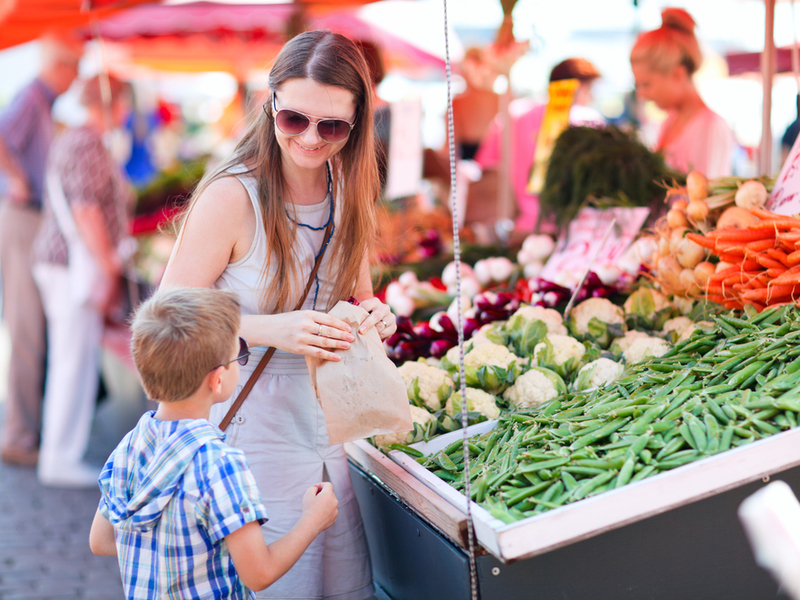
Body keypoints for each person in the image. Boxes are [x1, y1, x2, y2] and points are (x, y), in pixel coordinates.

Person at [160, 31, 396, 599]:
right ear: (270, 105)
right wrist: (270, 329)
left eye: (332, 126)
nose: (311, 138)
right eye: (294, 119)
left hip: (335, 427)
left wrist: (375, 316)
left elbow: (358, 296)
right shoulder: (231, 196)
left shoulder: (349, 190)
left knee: (340, 585)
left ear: (357, 124)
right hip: (249, 428)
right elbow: (165, 311)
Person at [89, 287, 339, 599]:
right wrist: (313, 520)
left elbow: (101, 541)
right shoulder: (220, 463)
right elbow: (259, 574)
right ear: (217, 379)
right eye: (239, 355)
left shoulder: (130, 445)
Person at [30, 74, 133, 487]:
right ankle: (60, 458)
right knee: (73, 362)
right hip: (74, 265)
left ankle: (61, 453)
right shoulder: (89, 142)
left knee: (71, 360)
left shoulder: (75, 138)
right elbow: (87, 210)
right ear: (115, 102)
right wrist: (109, 266)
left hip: (62, 263)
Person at [0, 32, 82, 467]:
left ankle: (26, 432)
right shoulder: (33, 96)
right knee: (27, 327)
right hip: (22, 217)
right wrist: (16, 178)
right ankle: (19, 436)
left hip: (30, 219)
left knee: (32, 329)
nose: (77, 79)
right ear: (61, 66)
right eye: (76, 68)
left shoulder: (42, 102)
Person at [475, 57, 604, 233]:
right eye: (590, 90)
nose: (591, 97)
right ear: (577, 87)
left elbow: (484, 167)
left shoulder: (513, 114)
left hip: (515, 226)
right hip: (572, 228)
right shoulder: (587, 120)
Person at [630, 8, 734, 178]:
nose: (641, 95)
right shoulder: (670, 119)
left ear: (677, 74)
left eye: (646, 85)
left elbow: (702, 201)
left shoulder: (710, 127)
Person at [452, 46, 499, 161]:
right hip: (495, 169)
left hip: (470, 169)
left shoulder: (457, 103)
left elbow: (449, 149)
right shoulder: (499, 99)